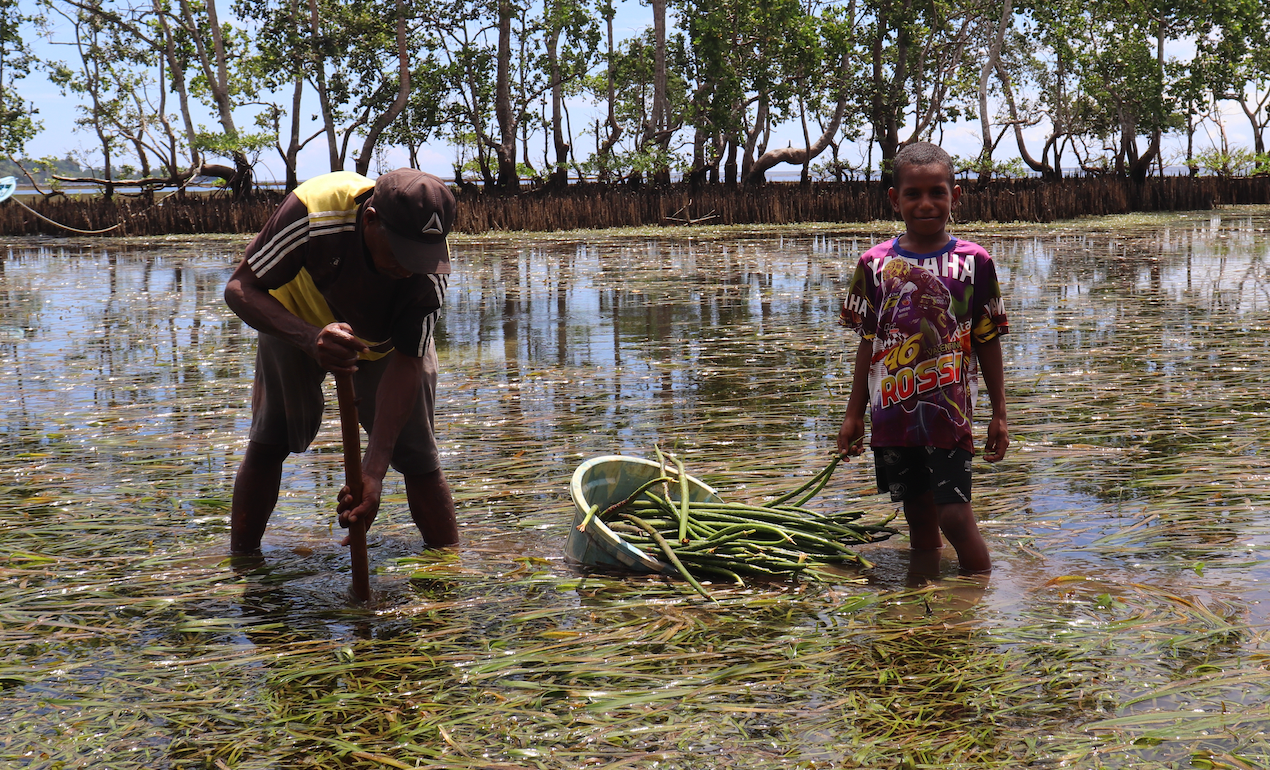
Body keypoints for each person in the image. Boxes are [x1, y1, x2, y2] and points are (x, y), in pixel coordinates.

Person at [223, 168, 459, 555]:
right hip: (293, 319)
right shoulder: (314, 212)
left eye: (420, 257)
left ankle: (449, 565)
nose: (408, 268)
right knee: (270, 439)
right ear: (370, 221)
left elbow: (409, 360)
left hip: (383, 346)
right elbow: (240, 288)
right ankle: (243, 565)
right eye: (401, 254)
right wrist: (309, 337)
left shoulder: (430, 271)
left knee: (418, 454)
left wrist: (373, 472)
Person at [836, 142, 1009, 574]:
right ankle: (925, 606)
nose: (926, 203)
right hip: (893, 412)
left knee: (954, 514)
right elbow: (868, 343)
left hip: (949, 414)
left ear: (956, 195)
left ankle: (980, 599)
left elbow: (987, 340)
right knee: (917, 514)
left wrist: (1000, 413)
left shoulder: (974, 262)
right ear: (895, 199)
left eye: (937, 192)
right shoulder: (874, 265)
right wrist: (853, 413)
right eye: (913, 193)